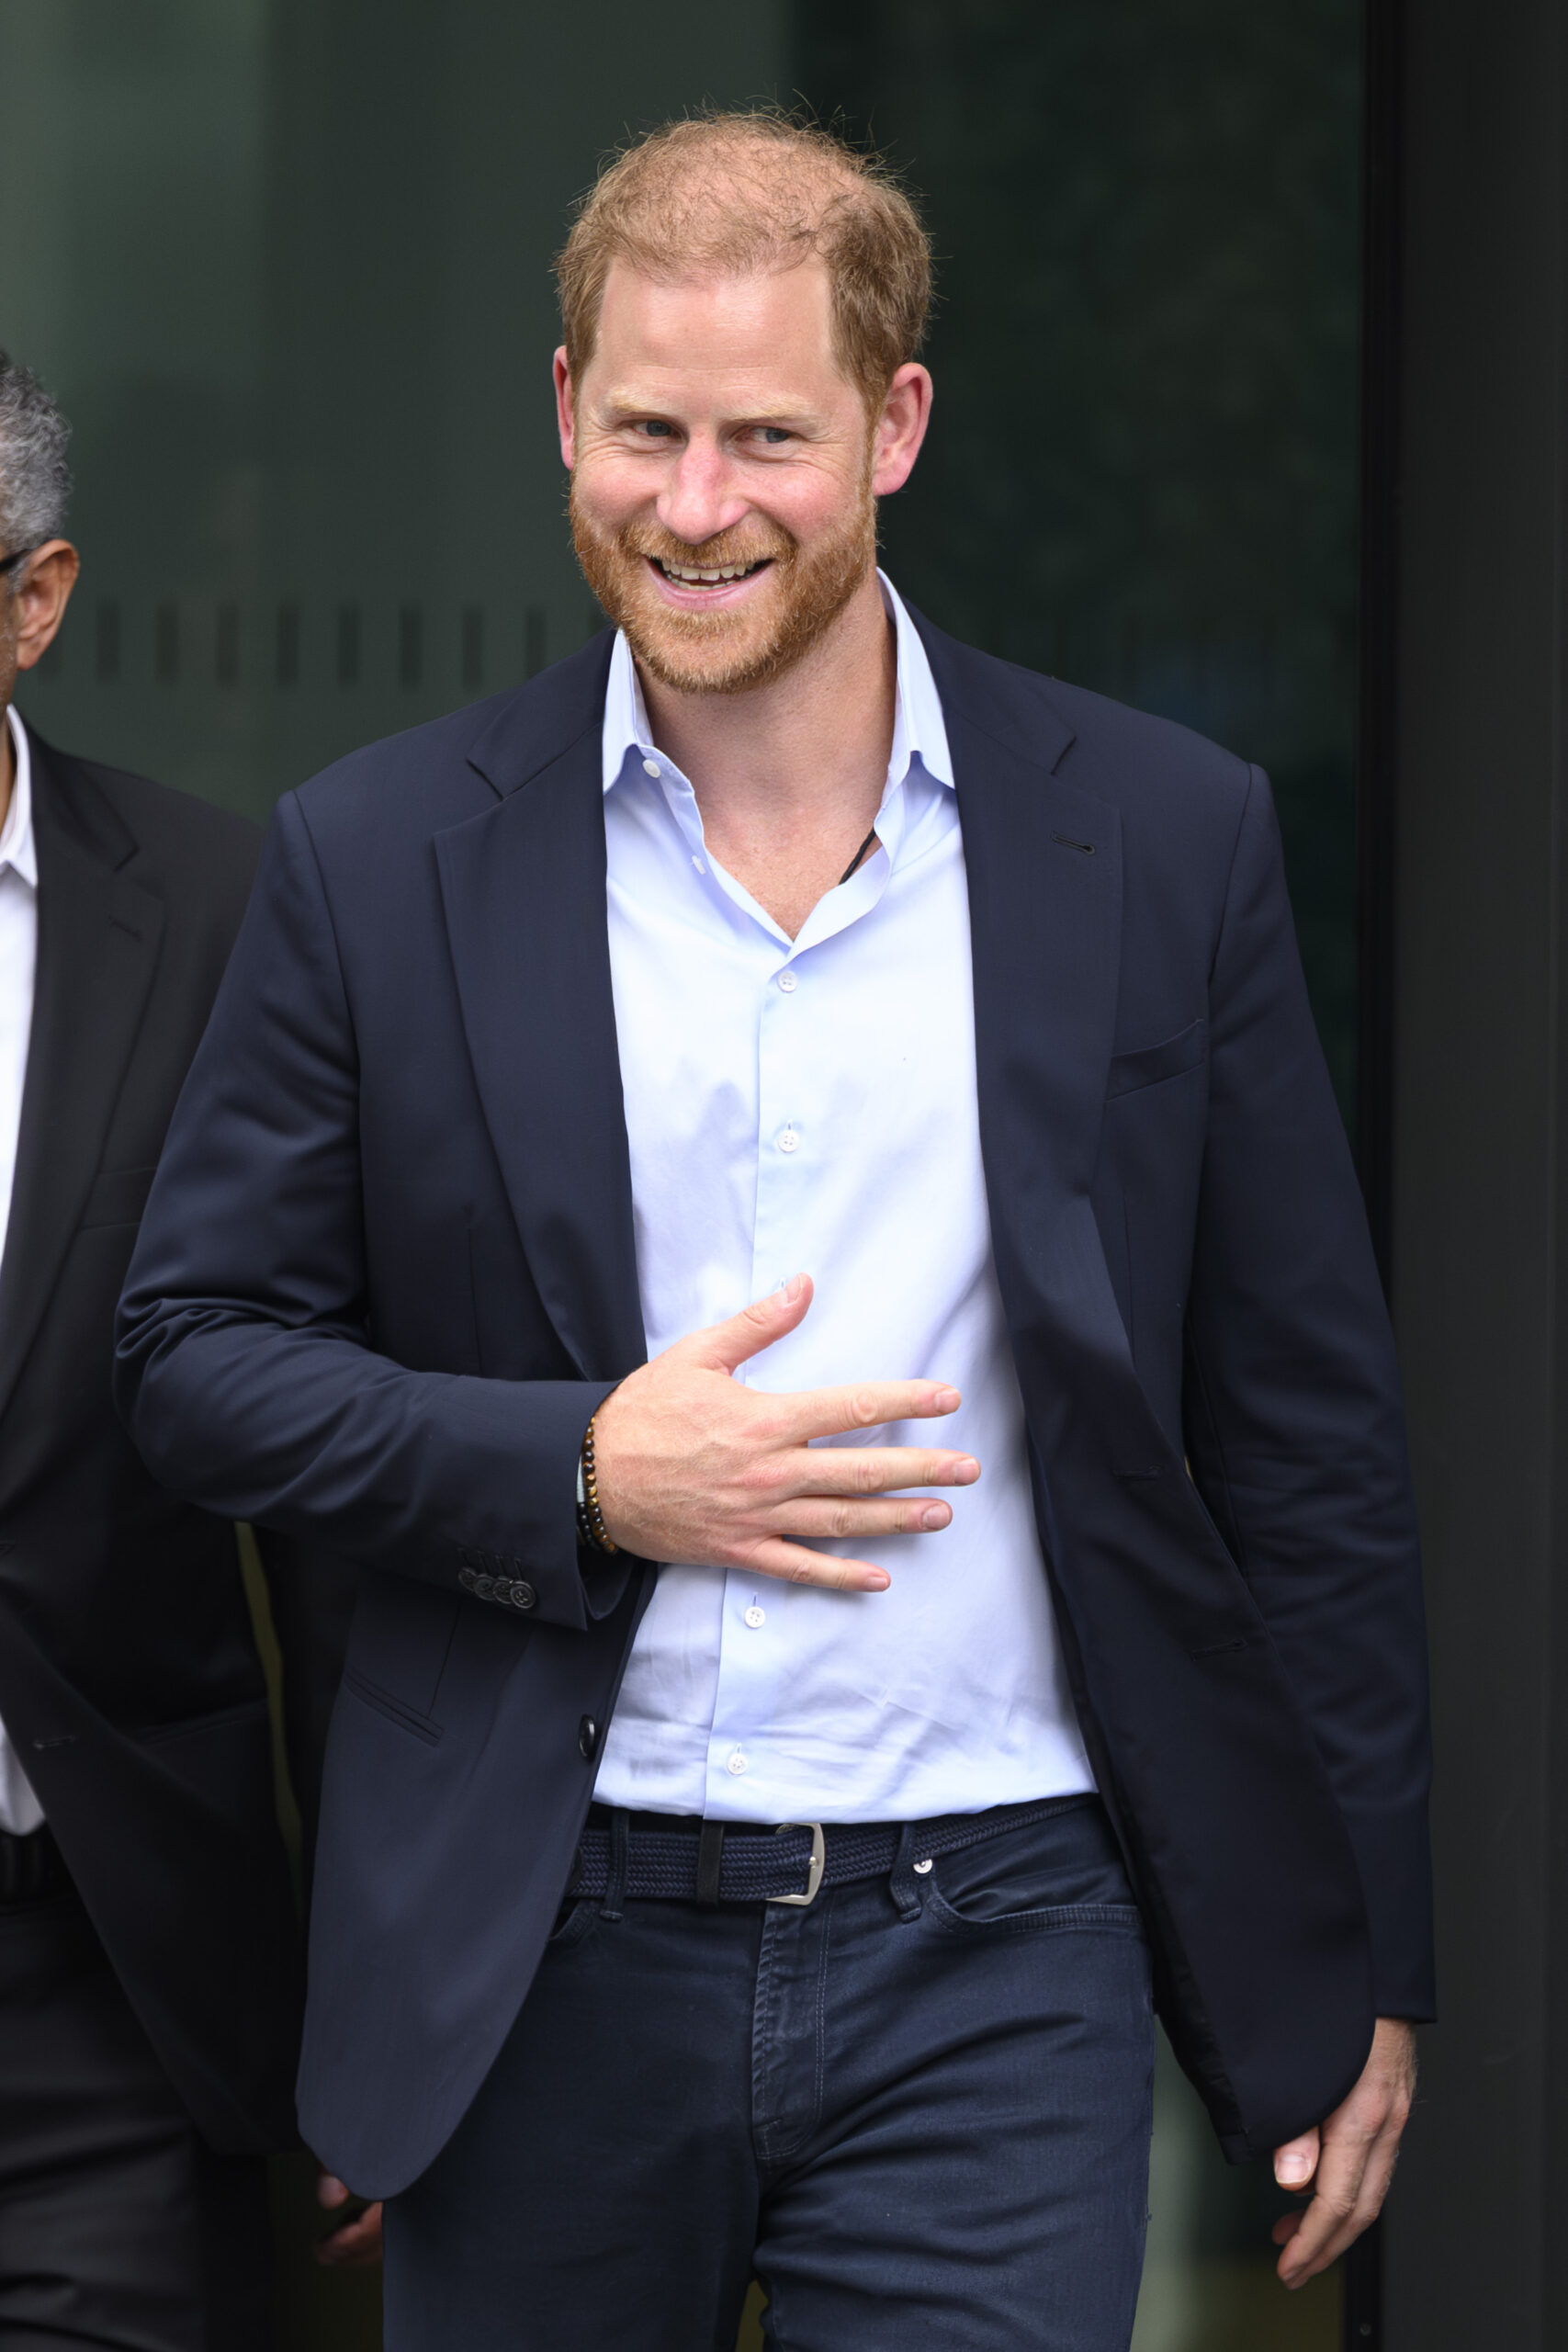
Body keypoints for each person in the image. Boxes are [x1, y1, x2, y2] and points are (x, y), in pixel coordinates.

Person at [116, 115, 1432, 2352]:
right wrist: (578, 1469)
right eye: (643, 429)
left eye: (765, 438)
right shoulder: (379, 853)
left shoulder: (1156, 838)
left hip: (1002, 1939)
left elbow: (1298, 1438)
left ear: (895, 425)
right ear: (563, 408)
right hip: (542, 1940)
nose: (694, 504)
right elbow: (190, 1350)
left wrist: (1366, 1956)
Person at [0, 354, 376, 2351]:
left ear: (33, 601)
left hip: (106, 1989)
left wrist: (375, 1996)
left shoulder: (228, 913)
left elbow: (325, 1506)